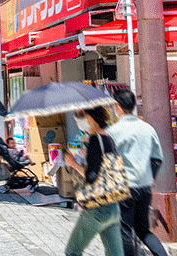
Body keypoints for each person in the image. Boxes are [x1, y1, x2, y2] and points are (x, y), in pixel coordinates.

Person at [107, 90, 166, 256]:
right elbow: (157, 158)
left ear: (117, 107)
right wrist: (149, 177)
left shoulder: (113, 131)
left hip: (124, 187)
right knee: (142, 229)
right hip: (144, 186)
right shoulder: (147, 128)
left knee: (124, 231)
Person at [63, 107, 124, 256]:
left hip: (97, 207)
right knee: (115, 254)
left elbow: (91, 176)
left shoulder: (96, 140)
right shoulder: (108, 137)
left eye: (80, 115)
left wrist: (73, 164)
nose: (78, 120)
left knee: (72, 251)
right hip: (113, 205)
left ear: (90, 118)